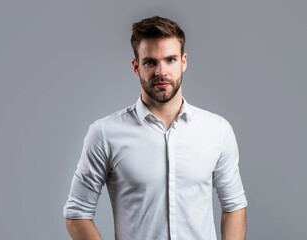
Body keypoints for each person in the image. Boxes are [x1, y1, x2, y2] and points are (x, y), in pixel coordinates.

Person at [63, 16, 247, 240]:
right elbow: (77, 214)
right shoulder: (104, 133)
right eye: (150, 62)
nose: (161, 72)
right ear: (136, 67)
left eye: (170, 59)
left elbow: (234, 206)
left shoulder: (217, 130)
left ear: (184, 62)